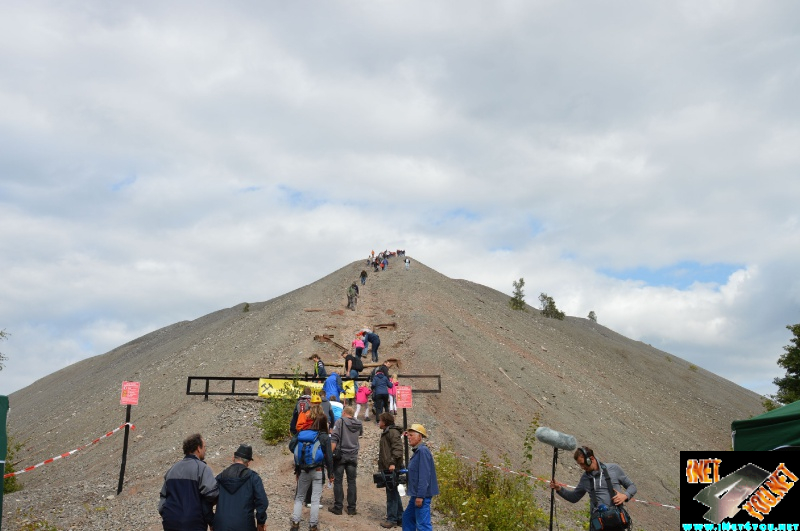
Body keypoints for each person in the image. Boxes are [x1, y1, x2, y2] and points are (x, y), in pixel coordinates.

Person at [549, 446, 637, 530]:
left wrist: (625, 495)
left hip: (617, 523)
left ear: (591, 459)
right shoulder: (585, 478)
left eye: (583, 464)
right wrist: (559, 489)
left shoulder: (613, 469)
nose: (582, 467)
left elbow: (632, 487)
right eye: (580, 465)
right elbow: (574, 497)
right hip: (598, 525)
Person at [159, 433, 218, 531]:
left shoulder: (172, 469)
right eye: (204, 447)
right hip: (193, 524)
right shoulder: (202, 468)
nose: (205, 450)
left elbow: (163, 497)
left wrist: (166, 514)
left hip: (170, 522)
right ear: (198, 448)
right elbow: (212, 493)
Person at [290, 416, 334, 531]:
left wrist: (297, 470)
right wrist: (331, 474)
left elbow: (293, 448)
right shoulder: (324, 437)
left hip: (304, 470)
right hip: (318, 471)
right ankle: (313, 526)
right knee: (315, 499)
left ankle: (295, 523)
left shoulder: (303, 434)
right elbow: (329, 457)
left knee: (299, 497)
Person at [213, 444, 268, 531]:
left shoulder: (220, 477)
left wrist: (212, 521)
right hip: (245, 525)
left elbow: (207, 499)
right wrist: (261, 523)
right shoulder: (253, 478)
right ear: (249, 462)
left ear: (233, 458)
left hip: (221, 525)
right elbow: (262, 502)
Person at [328, 406, 363, 516]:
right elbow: (360, 434)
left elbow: (334, 439)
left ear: (344, 412)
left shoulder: (340, 422)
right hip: (353, 456)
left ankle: (338, 507)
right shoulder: (359, 423)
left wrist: (329, 456)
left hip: (340, 456)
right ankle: (352, 508)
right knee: (351, 482)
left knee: (338, 481)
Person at [403, 424, 439, 531]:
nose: (408, 437)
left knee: (423, 525)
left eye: (411, 435)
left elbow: (424, 475)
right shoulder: (418, 451)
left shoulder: (423, 451)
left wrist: (420, 496)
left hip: (422, 495)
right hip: (416, 494)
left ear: (419, 437)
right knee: (407, 518)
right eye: (408, 435)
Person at [378, 412, 405, 529]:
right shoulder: (388, 432)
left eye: (380, 420)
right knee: (394, 492)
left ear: (385, 422)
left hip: (391, 468)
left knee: (391, 494)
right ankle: (400, 518)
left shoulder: (392, 432)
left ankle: (392, 519)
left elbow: (398, 449)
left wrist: (393, 463)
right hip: (389, 467)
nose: (379, 423)